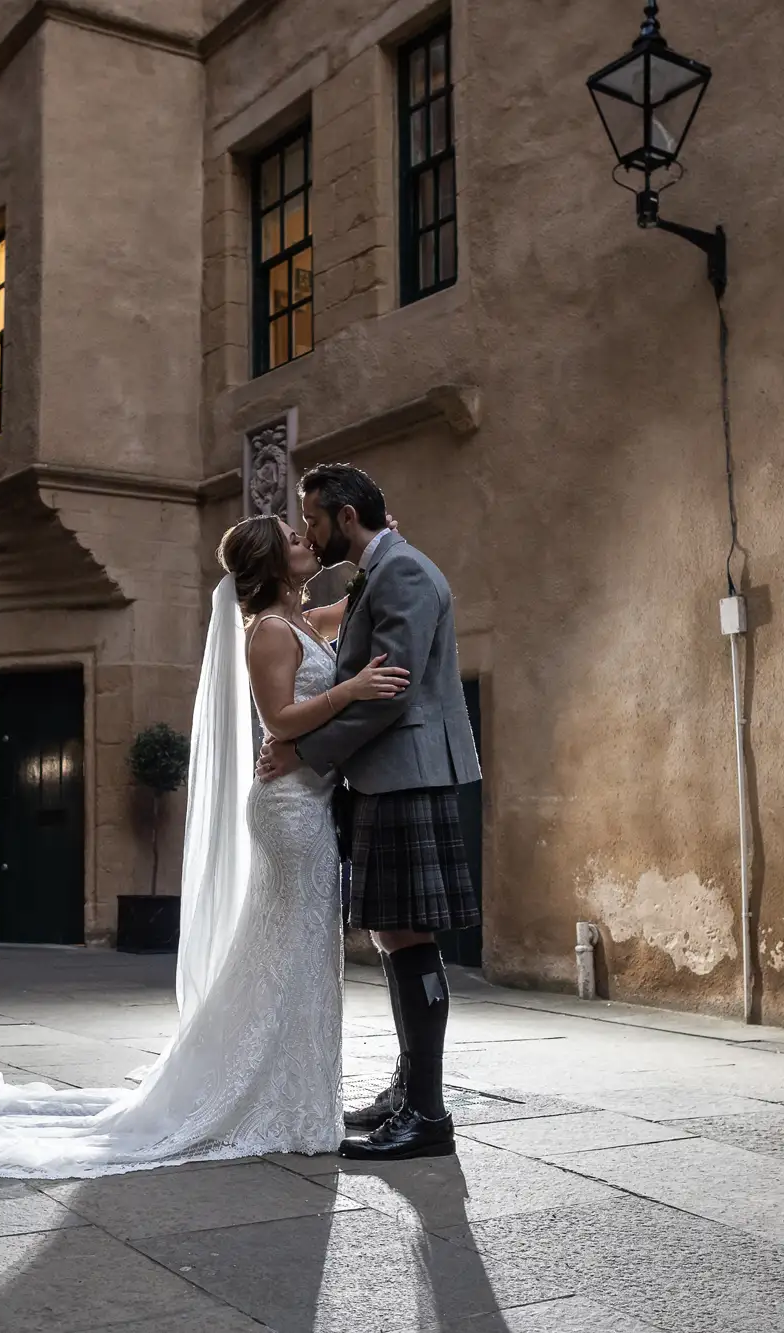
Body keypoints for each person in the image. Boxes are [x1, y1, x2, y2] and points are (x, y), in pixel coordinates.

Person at [0, 514, 407, 1177]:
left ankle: (293, 1094)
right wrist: (352, 688)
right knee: (292, 945)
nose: (304, 542)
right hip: (289, 813)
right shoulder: (268, 633)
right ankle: (271, 1096)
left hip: (307, 803)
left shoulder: (303, 620)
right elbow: (280, 719)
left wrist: (381, 546)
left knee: (296, 948)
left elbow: (353, 605)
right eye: (292, 537)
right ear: (270, 562)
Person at [258, 463, 481, 1162]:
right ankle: (408, 1090)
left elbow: (391, 692)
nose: (311, 532)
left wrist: (307, 751)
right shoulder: (380, 570)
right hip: (389, 778)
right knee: (394, 935)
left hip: (407, 774)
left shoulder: (403, 572)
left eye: (314, 519)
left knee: (408, 934)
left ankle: (427, 1112)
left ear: (346, 516)